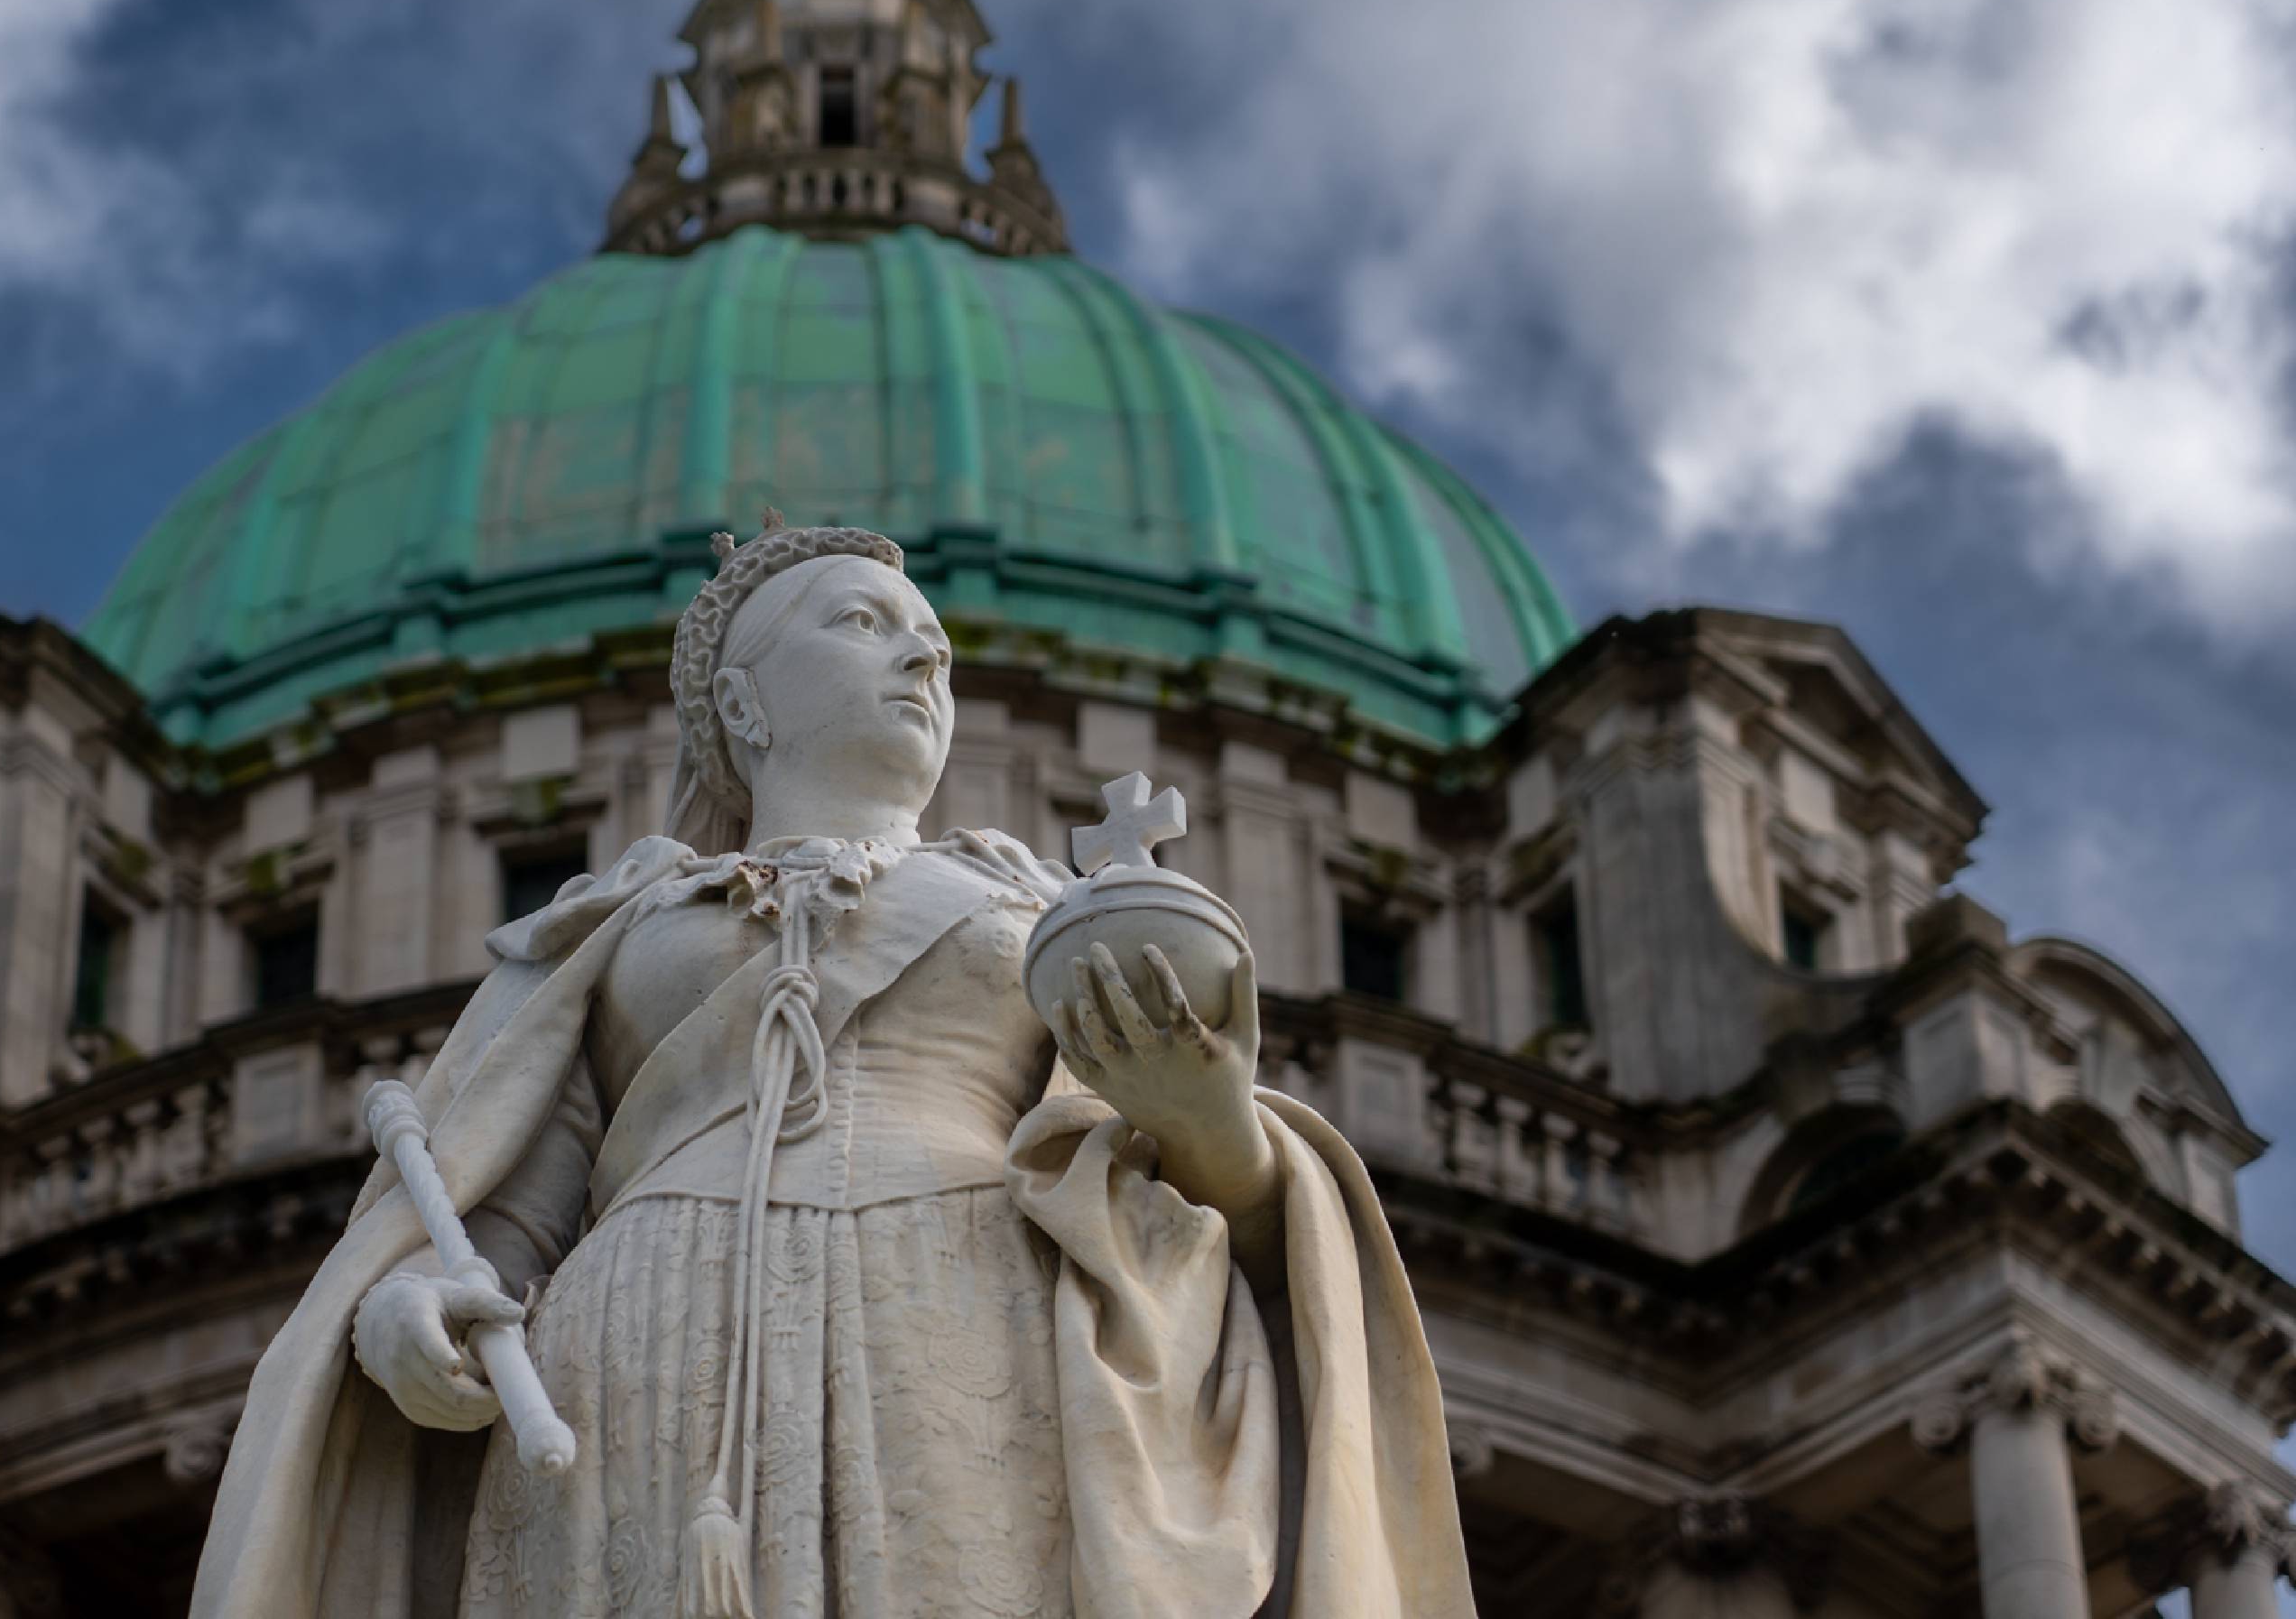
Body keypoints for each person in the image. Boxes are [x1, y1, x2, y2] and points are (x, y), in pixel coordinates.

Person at [192, 519, 1477, 1619]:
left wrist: (1210, 1121)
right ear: (741, 709)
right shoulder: (616, 925)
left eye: (935, 642)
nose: (923, 654)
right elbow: (508, 1208)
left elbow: (1182, 1202)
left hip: (965, 1322)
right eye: (864, 624)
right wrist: (403, 1306)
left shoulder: (1041, 907)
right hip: (641, 1353)